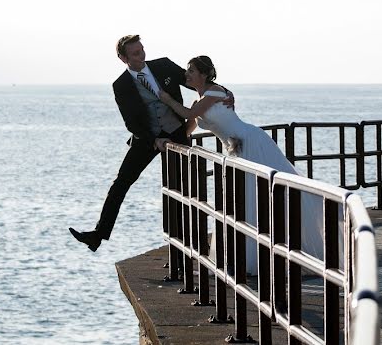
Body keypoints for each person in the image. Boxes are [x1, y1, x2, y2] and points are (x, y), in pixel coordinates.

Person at [157, 55, 324, 274]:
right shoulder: (201, 100)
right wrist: (169, 141)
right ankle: (248, 257)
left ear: (204, 74)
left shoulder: (215, 92)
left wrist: (167, 100)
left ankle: (271, 254)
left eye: (191, 71)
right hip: (235, 150)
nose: (186, 75)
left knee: (264, 198)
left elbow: (190, 114)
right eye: (187, 71)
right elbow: (189, 127)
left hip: (251, 143)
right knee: (243, 203)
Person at [68, 35, 233, 252]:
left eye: (142, 50)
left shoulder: (163, 65)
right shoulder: (121, 85)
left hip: (176, 133)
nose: (142, 55)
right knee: (120, 184)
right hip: (146, 139)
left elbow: (197, 83)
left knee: (186, 191)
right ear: (123, 58)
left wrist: (223, 92)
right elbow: (131, 121)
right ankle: (98, 235)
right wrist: (154, 139)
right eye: (135, 53)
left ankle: (197, 244)